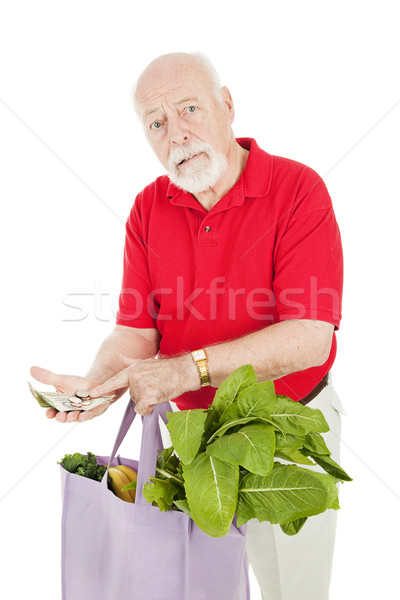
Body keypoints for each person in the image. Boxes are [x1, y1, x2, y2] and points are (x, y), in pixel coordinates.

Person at [31, 51, 344, 600]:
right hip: (192, 438)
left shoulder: (299, 189)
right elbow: (136, 333)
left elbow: (311, 337)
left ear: (226, 105)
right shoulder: (149, 208)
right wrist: (98, 383)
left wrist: (189, 369)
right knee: (196, 584)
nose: (176, 135)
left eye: (190, 109)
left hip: (287, 429)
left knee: (292, 593)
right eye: (157, 123)